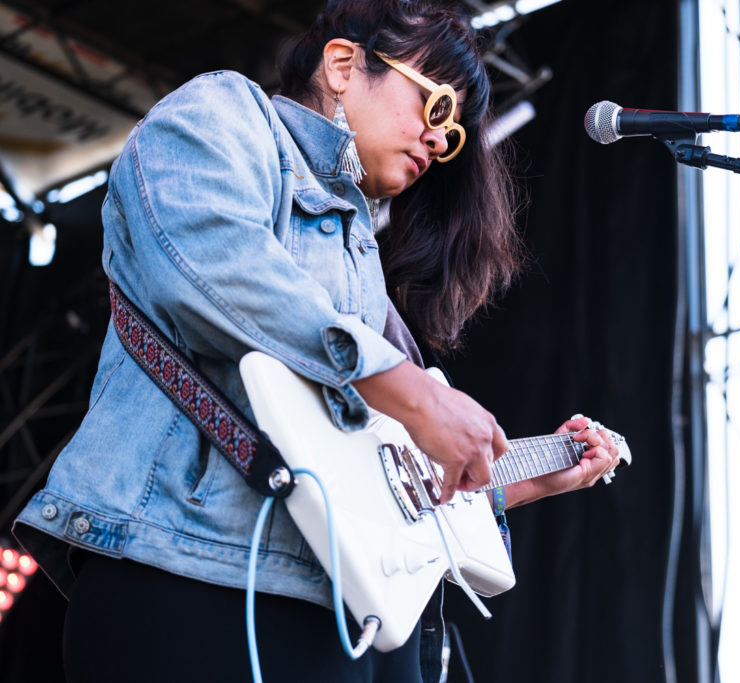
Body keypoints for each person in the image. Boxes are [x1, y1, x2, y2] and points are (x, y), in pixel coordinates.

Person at [12, 1, 620, 681]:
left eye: (451, 137)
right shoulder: (225, 111)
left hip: (333, 610)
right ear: (341, 65)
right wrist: (414, 393)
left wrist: (511, 481)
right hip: (189, 571)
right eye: (437, 106)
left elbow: (378, 484)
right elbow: (212, 256)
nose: (437, 142)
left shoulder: (364, 264)